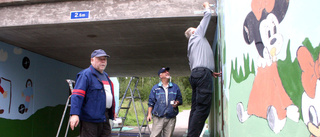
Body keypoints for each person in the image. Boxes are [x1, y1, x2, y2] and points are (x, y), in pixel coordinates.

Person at [184, 2, 221, 137]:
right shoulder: (197, 35)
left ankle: (191, 134)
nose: (199, 29)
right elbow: (207, 16)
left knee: (196, 109)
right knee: (202, 109)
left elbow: (195, 63)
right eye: (196, 28)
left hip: (197, 74)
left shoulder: (191, 47)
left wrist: (209, 72)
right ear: (193, 32)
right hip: (201, 74)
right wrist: (206, 6)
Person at [69, 49, 116, 137]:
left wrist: (112, 112)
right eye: (99, 59)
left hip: (104, 117)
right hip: (89, 119)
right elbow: (77, 95)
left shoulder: (106, 76)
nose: (103, 61)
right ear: (92, 60)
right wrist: (75, 114)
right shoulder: (85, 75)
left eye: (104, 59)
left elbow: (108, 95)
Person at [147, 67, 183, 137]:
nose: (167, 72)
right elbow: (151, 102)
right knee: (154, 135)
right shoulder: (155, 88)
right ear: (161, 75)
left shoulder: (175, 87)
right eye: (165, 72)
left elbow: (180, 100)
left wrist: (177, 103)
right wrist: (149, 114)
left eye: (168, 71)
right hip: (158, 117)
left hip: (171, 117)